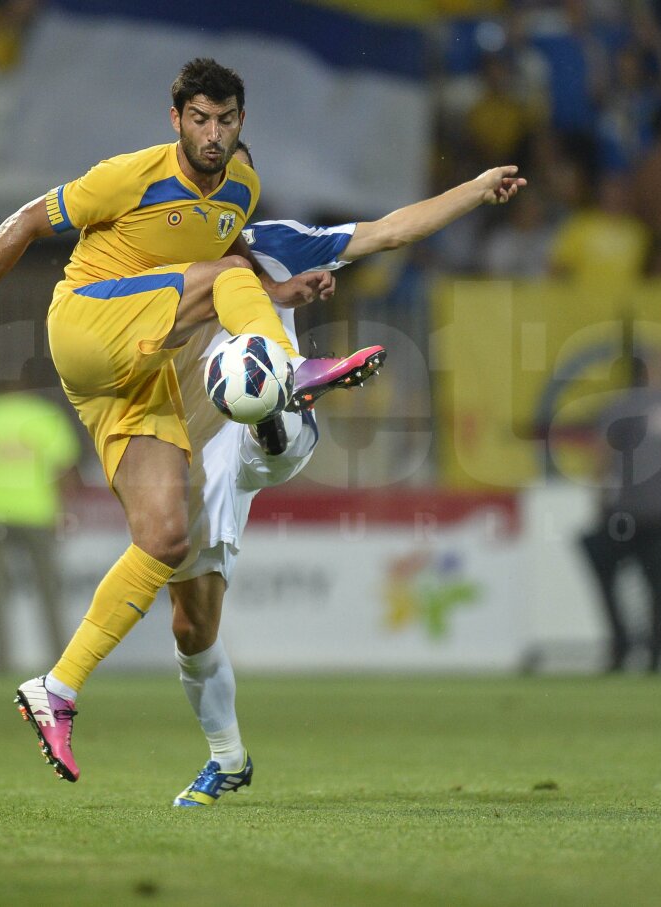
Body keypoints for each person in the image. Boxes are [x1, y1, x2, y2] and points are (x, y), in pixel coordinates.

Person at [0, 58, 383, 783]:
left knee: (165, 538)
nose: (213, 132)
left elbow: (226, 254)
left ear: (241, 123)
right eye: (199, 118)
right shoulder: (128, 175)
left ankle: (58, 687)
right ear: (176, 119)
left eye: (226, 120)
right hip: (87, 323)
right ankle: (285, 375)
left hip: (136, 376)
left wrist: (281, 287)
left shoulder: (242, 189)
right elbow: (20, 225)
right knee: (230, 285)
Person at [167, 143, 527, 806]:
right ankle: (229, 757)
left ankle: (282, 397)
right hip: (188, 446)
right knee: (191, 628)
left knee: (264, 414)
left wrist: (473, 189)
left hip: (252, 429)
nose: (225, 185)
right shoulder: (154, 246)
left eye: (239, 176)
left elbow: (390, 229)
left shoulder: (278, 241)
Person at [579, 352, 661, 672]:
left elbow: (602, 457)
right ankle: (656, 654)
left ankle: (620, 647)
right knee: (658, 583)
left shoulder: (622, 407)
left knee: (605, 571)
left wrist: (599, 499)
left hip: (623, 511)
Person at [0, 386, 80, 671]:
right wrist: (66, 509)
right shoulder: (44, 415)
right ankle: (62, 661)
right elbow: (65, 468)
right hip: (38, 512)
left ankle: (0, 660)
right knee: (49, 592)